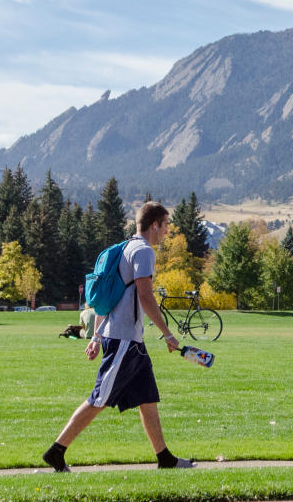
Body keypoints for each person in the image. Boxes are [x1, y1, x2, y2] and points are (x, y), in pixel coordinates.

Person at [42, 202, 194, 472]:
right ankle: (57, 450)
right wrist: (168, 333)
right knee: (99, 398)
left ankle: (165, 459)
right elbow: (145, 297)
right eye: (166, 225)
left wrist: (97, 336)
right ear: (154, 224)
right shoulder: (144, 252)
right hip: (124, 339)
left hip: (130, 341)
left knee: (148, 398)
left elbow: (107, 300)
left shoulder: (125, 248)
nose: (168, 231)